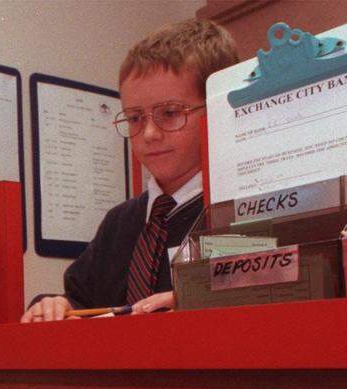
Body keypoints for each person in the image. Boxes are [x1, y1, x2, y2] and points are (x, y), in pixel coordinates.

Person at [22, 19, 238, 322]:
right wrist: (53, 305)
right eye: (135, 118)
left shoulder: (242, 208)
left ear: (215, 108)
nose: (149, 133)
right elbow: (78, 300)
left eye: (170, 113)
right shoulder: (119, 223)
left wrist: (205, 299)